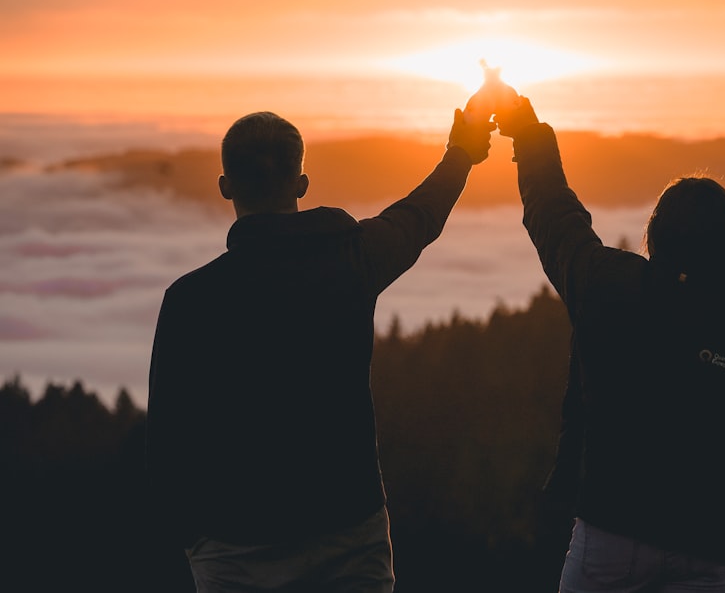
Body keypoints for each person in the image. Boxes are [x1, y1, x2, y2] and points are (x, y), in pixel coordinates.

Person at [145, 104, 495, 592]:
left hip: (234, 552)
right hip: (349, 540)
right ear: (302, 184)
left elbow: (167, 437)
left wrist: (197, 541)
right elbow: (420, 216)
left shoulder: (188, 300)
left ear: (225, 186)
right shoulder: (353, 259)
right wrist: (461, 152)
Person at [492, 91, 725, 592]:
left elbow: (554, 219)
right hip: (708, 552)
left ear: (657, 233)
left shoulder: (611, 287)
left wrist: (532, 136)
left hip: (609, 539)